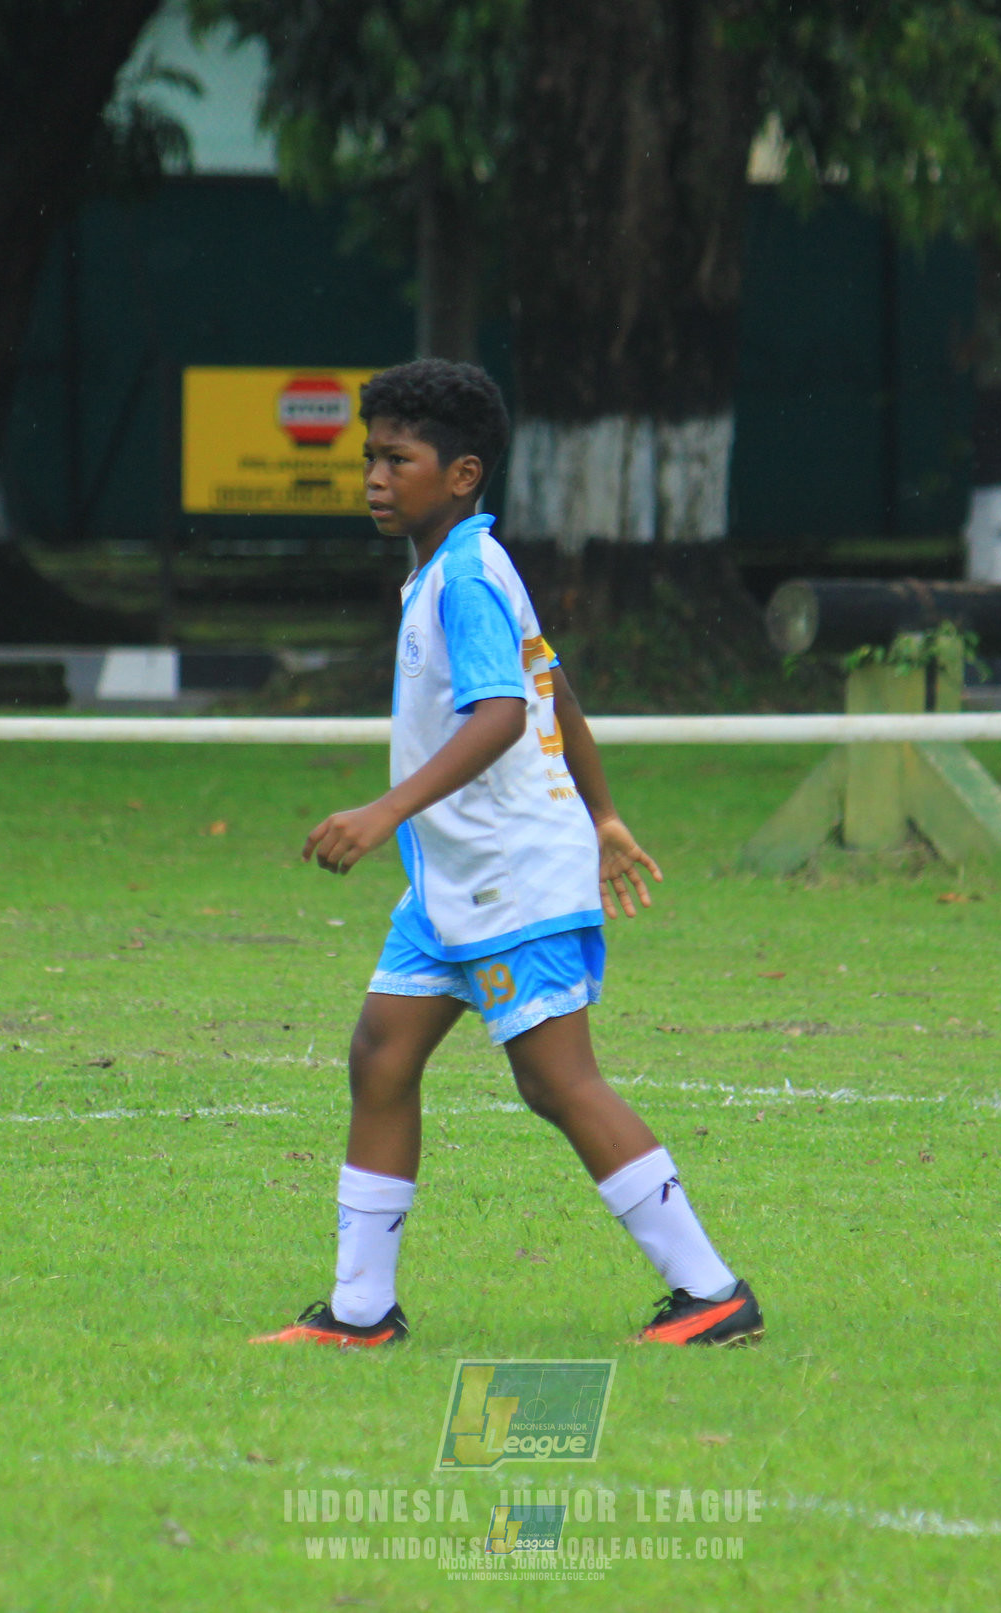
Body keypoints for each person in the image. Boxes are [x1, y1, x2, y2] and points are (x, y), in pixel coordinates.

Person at [251, 358, 762, 1350]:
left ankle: (710, 1290)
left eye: (398, 458)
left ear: (462, 473)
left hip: (506, 874)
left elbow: (500, 715)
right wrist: (605, 815)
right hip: (452, 878)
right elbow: (555, 693)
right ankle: (360, 1312)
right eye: (370, 456)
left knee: (557, 1080)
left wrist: (379, 810)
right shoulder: (457, 568)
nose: (374, 476)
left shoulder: (467, 580)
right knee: (381, 1053)